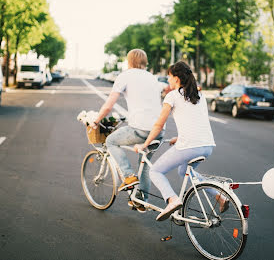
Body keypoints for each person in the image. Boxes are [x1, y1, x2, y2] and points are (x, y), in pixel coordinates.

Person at [134, 61, 227, 221]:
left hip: (190, 147)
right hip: (207, 145)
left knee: (155, 171)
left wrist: (145, 144)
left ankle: (172, 199)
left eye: (169, 77)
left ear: (176, 78)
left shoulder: (173, 95)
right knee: (185, 171)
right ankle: (219, 196)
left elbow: (158, 125)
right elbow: (198, 121)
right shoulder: (200, 96)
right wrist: (179, 137)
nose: (168, 80)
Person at [91, 49, 164, 212]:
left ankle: (128, 176)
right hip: (158, 130)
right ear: (145, 62)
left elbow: (110, 104)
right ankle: (141, 200)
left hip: (141, 128)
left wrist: (97, 119)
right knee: (144, 164)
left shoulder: (126, 75)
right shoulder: (153, 78)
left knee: (111, 141)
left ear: (129, 62)